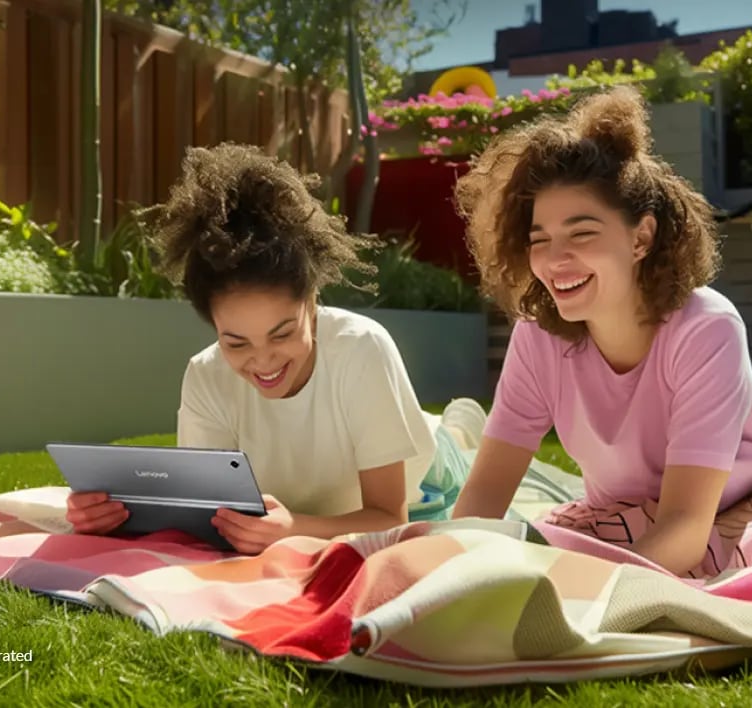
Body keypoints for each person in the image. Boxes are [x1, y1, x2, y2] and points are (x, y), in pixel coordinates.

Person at [448, 85, 752, 578]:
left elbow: (684, 532)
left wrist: (592, 602)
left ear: (641, 237)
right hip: (621, 516)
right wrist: (455, 572)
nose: (554, 259)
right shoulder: (536, 337)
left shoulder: (706, 327)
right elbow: (481, 502)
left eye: (582, 233)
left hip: (739, 501)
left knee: (709, 567)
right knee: (536, 557)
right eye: (539, 239)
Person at [66, 143, 487, 553]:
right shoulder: (205, 374)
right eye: (236, 342)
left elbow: (387, 517)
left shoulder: (361, 348)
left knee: (458, 459)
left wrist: (296, 528)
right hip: (316, 499)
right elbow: (204, 515)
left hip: (424, 479)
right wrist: (112, 515)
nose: (263, 361)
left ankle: (459, 429)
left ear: (312, 300)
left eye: (282, 334)